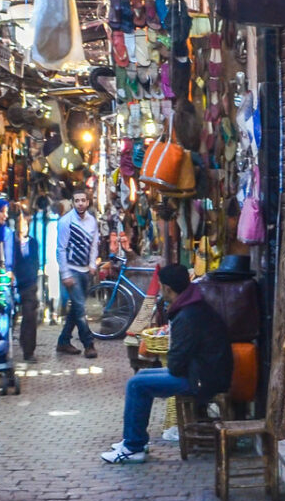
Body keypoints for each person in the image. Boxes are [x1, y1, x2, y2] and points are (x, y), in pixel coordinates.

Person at [101, 263, 234, 464]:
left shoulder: (188, 314)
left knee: (137, 385)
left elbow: (176, 364)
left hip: (203, 379)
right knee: (138, 379)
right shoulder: (193, 305)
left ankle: (133, 448)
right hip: (201, 372)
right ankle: (134, 440)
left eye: (162, 287)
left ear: (168, 288)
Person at [56, 187, 102, 359]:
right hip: (72, 270)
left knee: (76, 308)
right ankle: (88, 344)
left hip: (85, 271)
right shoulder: (65, 222)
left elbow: (94, 244)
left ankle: (63, 341)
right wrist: (65, 273)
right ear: (73, 202)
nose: (80, 203)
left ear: (88, 202)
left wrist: (92, 264)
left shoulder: (92, 222)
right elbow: (61, 249)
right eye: (77, 200)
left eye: (83, 200)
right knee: (81, 308)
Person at [13, 221, 43, 361]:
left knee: (30, 316)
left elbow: (35, 260)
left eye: (25, 225)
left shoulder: (33, 242)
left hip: (29, 285)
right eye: (21, 225)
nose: (23, 228)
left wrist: (34, 276)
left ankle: (28, 350)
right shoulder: (10, 240)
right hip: (12, 282)